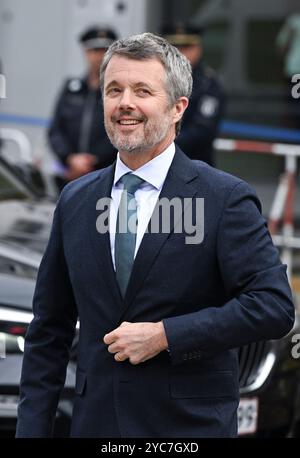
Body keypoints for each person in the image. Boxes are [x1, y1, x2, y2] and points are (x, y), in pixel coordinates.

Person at [16, 32, 294, 438]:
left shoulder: (224, 199)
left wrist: (167, 335)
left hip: (188, 430)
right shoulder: (75, 200)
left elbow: (273, 306)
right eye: (114, 90)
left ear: (178, 107)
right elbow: (48, 332)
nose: (125, 102)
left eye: (142, 90)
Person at [48, 26, 118, 186]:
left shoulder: (119, 92)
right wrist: (70, 159)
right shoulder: (72, 89)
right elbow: (56, 130)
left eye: (104, 50)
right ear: (86, 52)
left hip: (104, 174)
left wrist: (93, 160)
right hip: (69, 174)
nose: (99, 56)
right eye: (94, 50)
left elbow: (121, 129)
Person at [161, 23, 226, 165]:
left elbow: (203, 129)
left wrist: (161, 145)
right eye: (175, 48)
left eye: (186, 48)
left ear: (198, 49)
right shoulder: (155, 79)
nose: (180, 53)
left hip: (195, 164)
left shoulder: (208, 84)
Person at [276, 14, 300, 129]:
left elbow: (281, 47)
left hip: (295, 71)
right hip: (296, 71)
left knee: (294, 104)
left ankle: (293, 132)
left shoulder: (293, 22)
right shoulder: (293, 22)